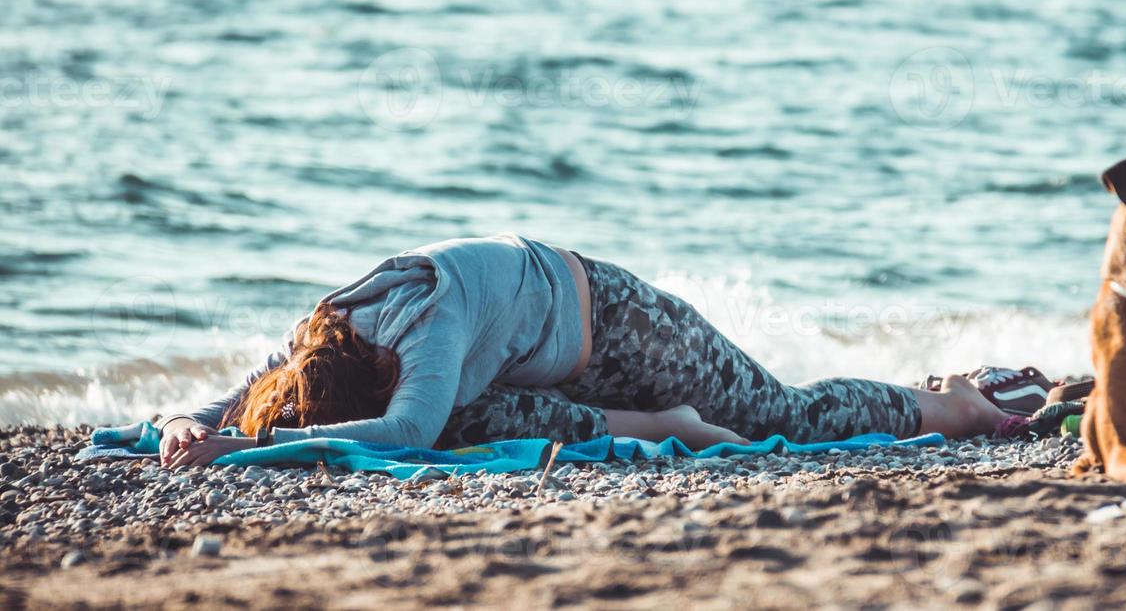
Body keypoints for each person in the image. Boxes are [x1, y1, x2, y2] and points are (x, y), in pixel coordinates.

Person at [158, 235, 1005, 468]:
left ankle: (953, 404)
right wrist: (185, 423)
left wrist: (251, 448)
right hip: (546, 355)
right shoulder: (329, 328)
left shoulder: (428, 329)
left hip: (626, 324)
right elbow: (251, 386)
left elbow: (405, 434)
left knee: (781, 413)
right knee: (466, 416)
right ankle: (662, 424)